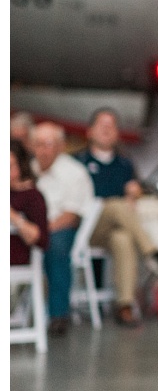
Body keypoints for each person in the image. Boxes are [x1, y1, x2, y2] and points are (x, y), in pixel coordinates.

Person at [77, 108, 158, 327]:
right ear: (90, 131)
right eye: (102, 125)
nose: (107, 130)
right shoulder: (78, 162)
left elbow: (134, 192)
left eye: (112, 125)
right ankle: (155, 253)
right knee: (116, 205)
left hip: (114, 228)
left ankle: (124, 305)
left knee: (123, 239)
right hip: (87, 227)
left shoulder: (125, 164)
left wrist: (135, 193)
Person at [31, 122, 95, 335]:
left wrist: (41, 231)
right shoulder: (28, 169)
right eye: (38, 144)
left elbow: (71, 216)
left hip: (62, 228)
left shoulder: (74, 172)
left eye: (48, 144)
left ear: (61, 146)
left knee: (55, 246)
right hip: (29, 228)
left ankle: (58, 314)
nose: (43, 149)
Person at [11, 139, 50, 265]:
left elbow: (41, 239)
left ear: (20, 167)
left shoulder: (31, 196)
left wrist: (12, 215)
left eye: (10, 166)